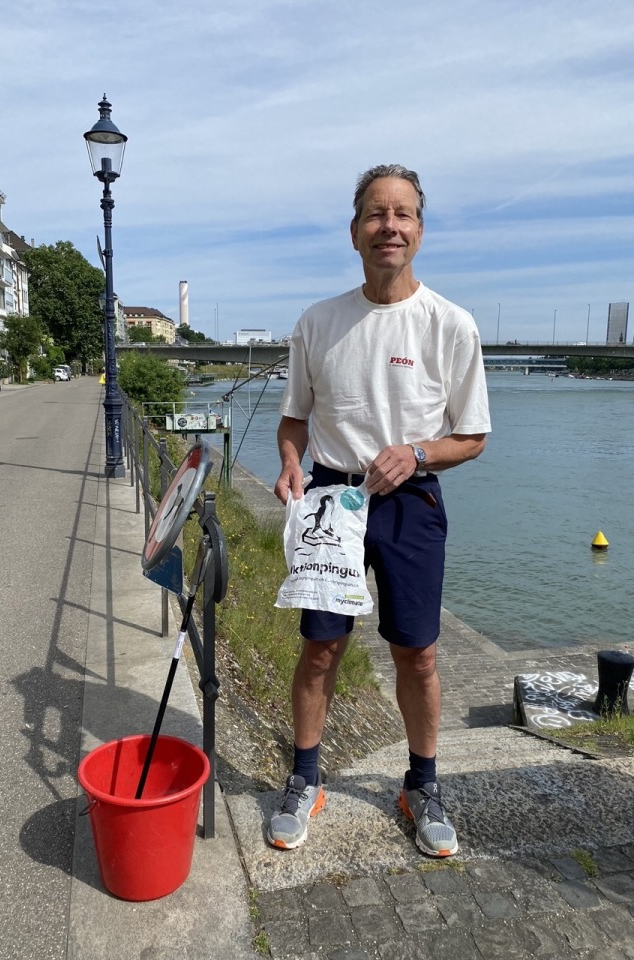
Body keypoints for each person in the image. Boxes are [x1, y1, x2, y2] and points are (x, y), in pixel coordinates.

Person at [267, 164, 491, 857]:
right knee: (321, 646)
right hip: (332, 498)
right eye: (375, 213)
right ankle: (305, 777)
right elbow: (295, 418)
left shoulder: (450, 324)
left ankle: (422, 784)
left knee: (417, 653)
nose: (388, 225)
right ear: (355, 231)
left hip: (411, 500)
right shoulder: (319, 321)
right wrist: (288, 465)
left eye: (402, 214)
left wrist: (419, 454)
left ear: (419, 229)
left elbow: (473, 435)